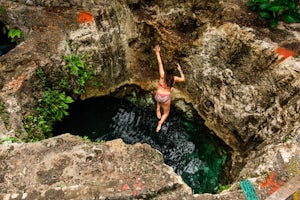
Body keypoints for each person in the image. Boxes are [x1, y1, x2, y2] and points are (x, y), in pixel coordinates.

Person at [153, 45, 185, 132]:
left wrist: (157, 52)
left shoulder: (162, 75)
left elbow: (160, 63)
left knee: (158, 99)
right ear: (172, 72)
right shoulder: (174, 78)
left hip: (158, 95)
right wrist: (180, 70)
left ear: (166, 71)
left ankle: (158, 109)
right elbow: (183, 79)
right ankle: (160, 123)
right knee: (166, 113)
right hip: (166, 97)